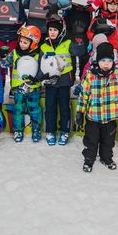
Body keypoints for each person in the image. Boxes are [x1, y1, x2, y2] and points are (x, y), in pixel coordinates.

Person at [75, 42, 118, 172]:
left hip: (110, 117)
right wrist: (80, 112)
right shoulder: (90, 75)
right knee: (91, 140)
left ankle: (106, 158)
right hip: (93, 117)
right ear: (97, 60)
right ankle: (89, 159)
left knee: (108, 141)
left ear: (113, 61)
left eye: (109, 61)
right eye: (103, 60)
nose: (106, 64)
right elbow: (84, 95)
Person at [0, 25, 43, 143]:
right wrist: (2, 55)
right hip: (18, 89)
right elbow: (4, 64)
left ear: (34, 43)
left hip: (33, 88)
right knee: (18, 110)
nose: (22, 44)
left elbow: (43, 71)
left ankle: (36, 129)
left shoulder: (38, 55)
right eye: (21, 41)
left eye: (26, 42)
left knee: (35, 110)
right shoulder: (14, 53)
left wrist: (37, 79)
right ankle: (18, 130)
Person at [39, 16, 74, 146]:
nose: (52, 32)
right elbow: (40, 64)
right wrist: (40, 77)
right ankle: (50, 131)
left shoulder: (67, 42)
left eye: (55, 30)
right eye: (50, 29)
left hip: (64, 81)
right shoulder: (43, 46)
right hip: (50, 82)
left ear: (60, 31)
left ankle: (64, 131)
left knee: (65, 108)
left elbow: (78, 51)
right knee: (50, 108)